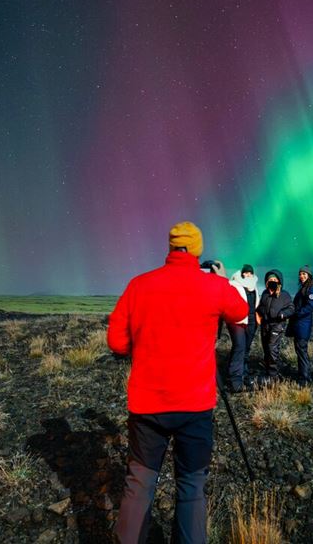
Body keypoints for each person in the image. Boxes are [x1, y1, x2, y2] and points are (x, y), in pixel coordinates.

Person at [107, 221, 247, 543]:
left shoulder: (139, 285)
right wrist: (223, 279)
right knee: (191, 486)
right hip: (195, 406)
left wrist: (140, 344)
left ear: (170, 247)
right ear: (197, 250)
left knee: (139, 484)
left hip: (147, 405)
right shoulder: (214, 286)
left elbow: (116, 342)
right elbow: (240, 312)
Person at [255, 269, 294, 383]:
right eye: (270, 279)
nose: (272, 281)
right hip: (265, 325)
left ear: (279, 281)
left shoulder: (284, 295)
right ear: (267, 282)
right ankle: (268, 371)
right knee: (266, 348)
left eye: (274, 279)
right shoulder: (265, 293)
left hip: (277, 325)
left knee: (272, 348)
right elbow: (261, 307)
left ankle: (273, 375)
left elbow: (291, 308)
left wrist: (283, 314)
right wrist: (258, 314)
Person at [226, 265, 259, 393]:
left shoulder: (254, 286)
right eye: (245, 273)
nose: (248, 275)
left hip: (251, 320)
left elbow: (256, 303)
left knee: (246, 348)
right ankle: (235, 379)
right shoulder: (235, 284)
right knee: (239, 346)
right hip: (237, 321)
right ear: (242, 273)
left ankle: (243, 373)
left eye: (250, 273)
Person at [286, 265, 313, 385]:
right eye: (300, 274)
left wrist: (296, 313)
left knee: (301, 350)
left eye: (304, 274)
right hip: (299, 324)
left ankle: (304, 378)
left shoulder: (312, 288)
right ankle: (303, 375)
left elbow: (310, 307)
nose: (301, 276)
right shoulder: (304, 288)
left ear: (309, 275)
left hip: (303, 325)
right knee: (300, 350)